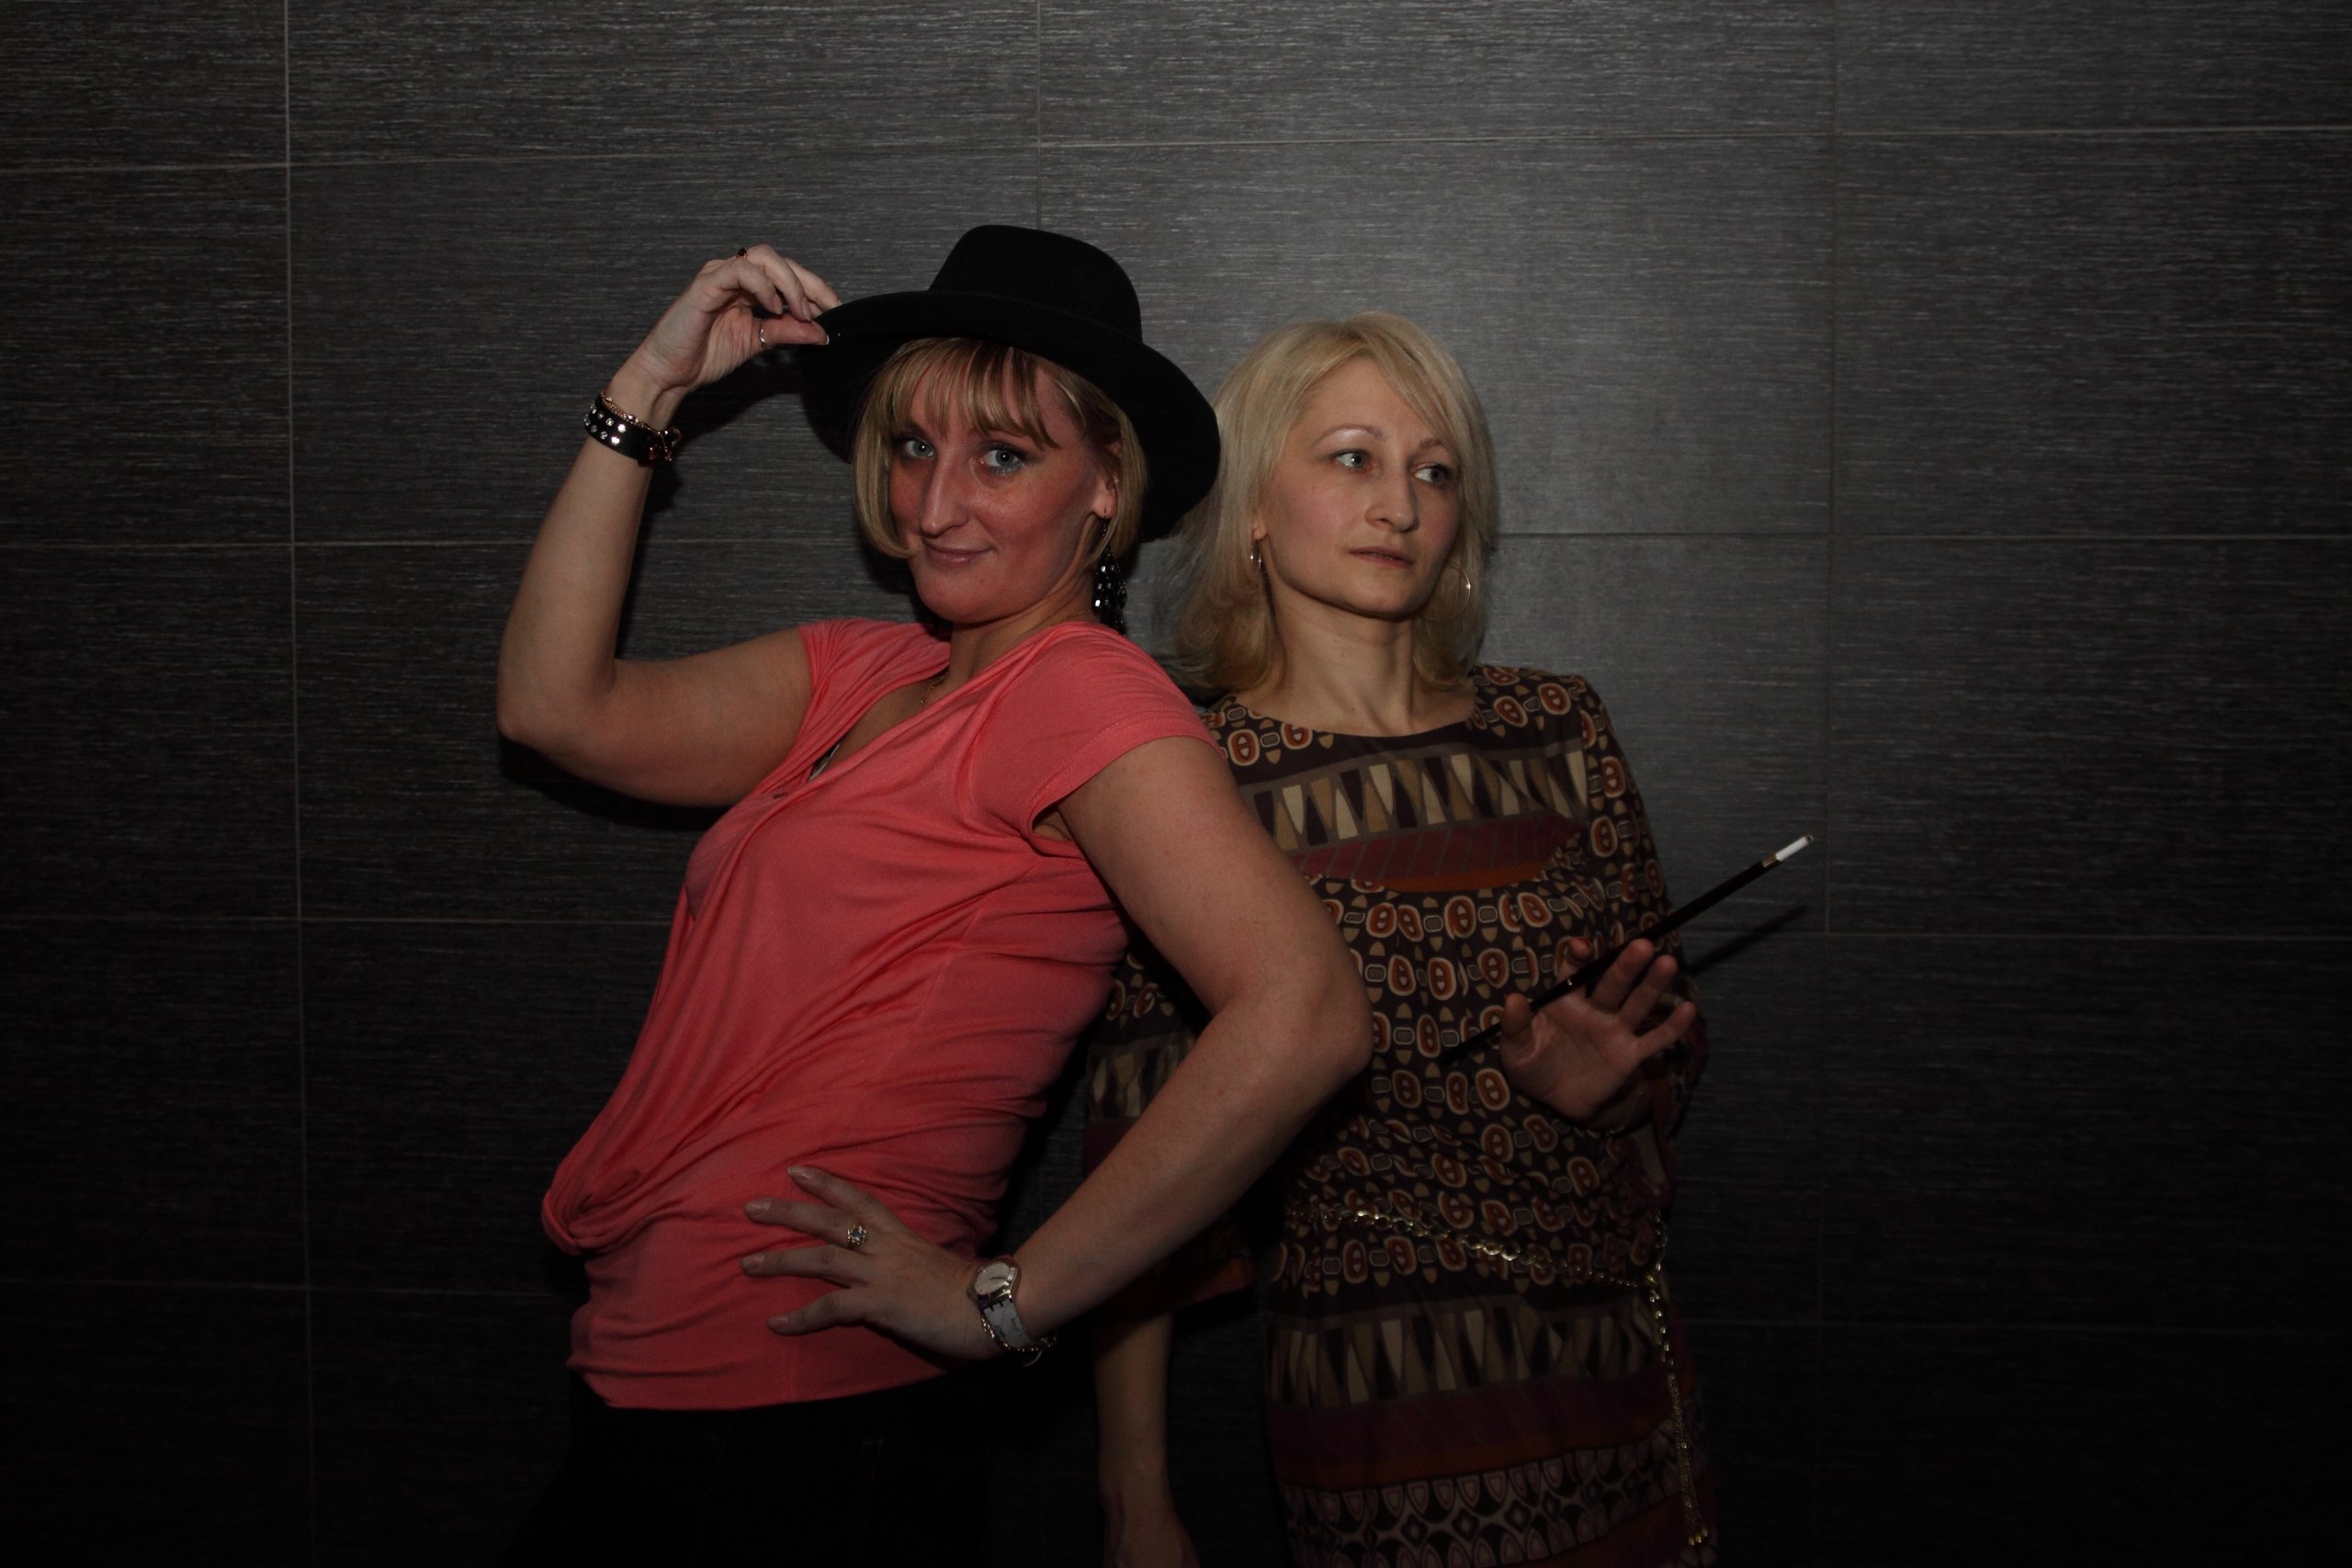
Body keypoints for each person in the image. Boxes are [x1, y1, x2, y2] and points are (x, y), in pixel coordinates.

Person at [496, 226, 1369, 1562]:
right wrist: (645, 392)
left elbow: (1305, 1014)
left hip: (799, 1407)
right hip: (667, 1369)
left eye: (1002, 457)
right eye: (913, 446)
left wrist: (1002, 1302)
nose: (935, 505)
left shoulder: (1077, 688)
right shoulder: (863, 669)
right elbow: (557, 709)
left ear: (1106, 483)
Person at [1083, 313, 1716, 1567]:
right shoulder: (1194, 777)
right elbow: (1141, 1153)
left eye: (1435, 471)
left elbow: (1669, 1044)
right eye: (1352, 458)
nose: (1401, 505)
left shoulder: (1560, 728)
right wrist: (1135, 1499)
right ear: (1253, 508)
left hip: (1620, 1372)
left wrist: (1616, 1086)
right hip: (1390, 1402)